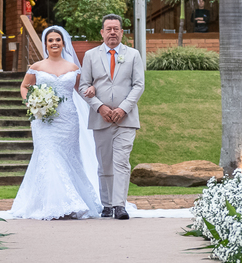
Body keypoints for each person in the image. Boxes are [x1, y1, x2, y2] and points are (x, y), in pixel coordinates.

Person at [13, 26, 103, 220]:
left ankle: (72, 202)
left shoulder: (73, 68)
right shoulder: (37, 67)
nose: (54, 43)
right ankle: (52, 204)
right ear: (46, 44)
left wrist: (92, 90)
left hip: (68, 119)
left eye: (57, 40)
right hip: (44, 119)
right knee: (48, 154)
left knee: (68, 157)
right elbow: (25, 86)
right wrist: (31, 101)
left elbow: (82, 89)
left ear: (63, 43)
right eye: (50, 40)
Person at [78, 14, 145, 219]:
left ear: (122, 32)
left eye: (116, 29)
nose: (113, 33)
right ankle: (107, 204)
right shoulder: (90, 55)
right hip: (101, 119)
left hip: (126, 119)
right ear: (102, 32)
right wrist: (100, 107)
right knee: (105, 163)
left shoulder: (133, 55)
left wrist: (123, 109)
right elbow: (83, 86)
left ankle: (119, 205)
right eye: (109, 29)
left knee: (122, 162)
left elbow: (139, 85)